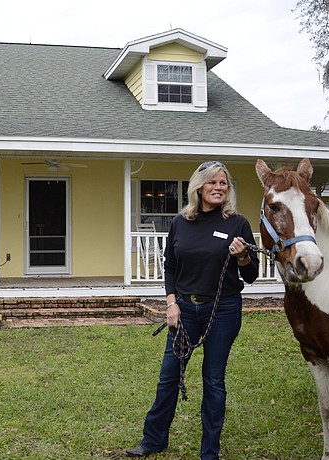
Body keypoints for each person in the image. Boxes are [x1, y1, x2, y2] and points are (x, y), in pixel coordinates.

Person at [126, 161, 259, 459]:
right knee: (168, 376)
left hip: (222, 310)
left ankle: (209, 452)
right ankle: (153, 440)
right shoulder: (180, 222)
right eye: (212, 182)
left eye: (223, 183)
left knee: (213, 380)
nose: (219, 187)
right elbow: (170, 266)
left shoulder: (236, 224)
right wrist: (171, 304)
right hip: (184, 309)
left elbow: (250, 275)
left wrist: (241, 258)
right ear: (198, 187)